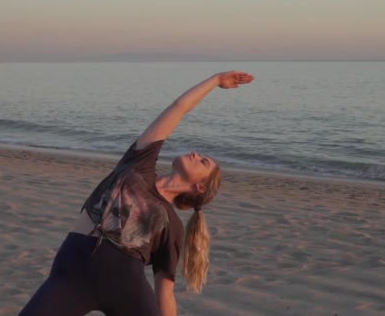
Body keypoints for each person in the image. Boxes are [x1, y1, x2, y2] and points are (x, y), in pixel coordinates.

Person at [19, 71, 255, 316]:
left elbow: (165, 291)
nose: (196, 153)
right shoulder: (139, 163)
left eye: (203, 162)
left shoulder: (173, 226)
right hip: (72, 272)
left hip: (124, 285)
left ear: (200, 187)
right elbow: (178, 109)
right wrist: (215, 81)